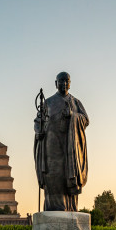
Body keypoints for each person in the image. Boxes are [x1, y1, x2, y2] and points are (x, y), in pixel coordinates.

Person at [34, 71, 88, 211]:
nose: (64, 83)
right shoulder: (49, 102)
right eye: (61, 81)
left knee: (68, 176)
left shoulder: (75, 102)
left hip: (70, 147)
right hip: (51, 146)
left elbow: (85, 120)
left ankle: (70, 208)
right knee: (53, 176)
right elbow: (38, 120)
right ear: (55, 83)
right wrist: (38, 131)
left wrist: (73, 116)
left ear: (69, 83)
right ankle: (54, 209)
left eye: (66, 81)